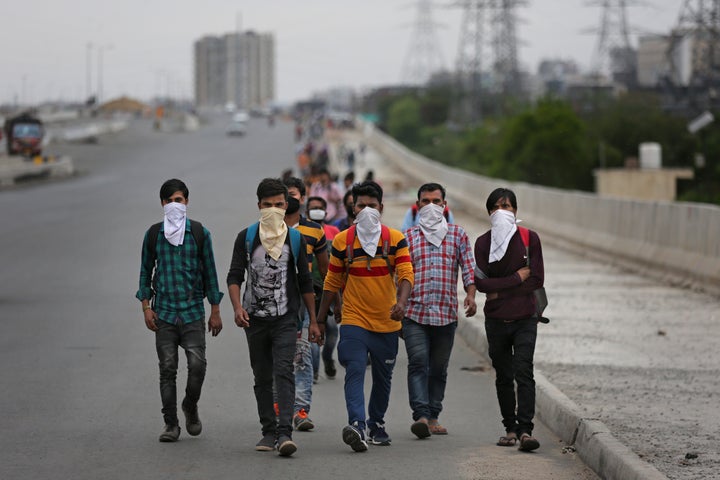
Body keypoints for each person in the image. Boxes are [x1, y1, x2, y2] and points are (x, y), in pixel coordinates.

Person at [316, 181, 414, 452]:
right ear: (353, 208)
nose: (367, 210)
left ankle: (376, 423)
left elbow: (406, 274)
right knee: (355, 368)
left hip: (387, 320)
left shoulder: (395, 239)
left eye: (372, 206)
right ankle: (357, 425)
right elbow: (332, 280)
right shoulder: (342, 241)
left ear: (381, 208)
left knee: (384, 376)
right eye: (361, 205)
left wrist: (402, 303)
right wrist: (321, 319)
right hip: (354, 318)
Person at [226, 178, 319, 457]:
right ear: (259, 206)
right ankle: (268, 430)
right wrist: (237, 308)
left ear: (286, 205)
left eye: (279, 205)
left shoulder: (295, 238)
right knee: (262, 376)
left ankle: (284, 434)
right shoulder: (246, 237)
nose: (273, 210)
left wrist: (313, 320)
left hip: (286, 319)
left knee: (284, 371)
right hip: (254, 319)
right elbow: (234, 276)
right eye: (268, 205)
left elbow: (305, 281)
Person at [136, 178, 224, 443]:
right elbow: (145, 271)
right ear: (162, 204)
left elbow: (210, 272)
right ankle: (170, 424)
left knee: (197, 365)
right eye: (169, 201)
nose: (174, 205)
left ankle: (190, 405)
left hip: (193, 312)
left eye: (179, 200)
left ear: (186, 202)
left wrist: (215, 310)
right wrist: (146, 307)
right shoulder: (154, 234)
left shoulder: (199, 233)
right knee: (167, 368)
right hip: (163, 313)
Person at [402, 183, 477, 439]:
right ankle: (421, 415)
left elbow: (468, 268)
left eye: (436, 201)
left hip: (445, 315)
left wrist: (470, 295)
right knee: (418, 362)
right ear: (418, 205)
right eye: (425, 201)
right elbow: (400, 275)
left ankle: (434, 415)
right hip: (415, 314)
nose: (431, 206)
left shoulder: (458, 235)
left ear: (445, 205)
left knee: (438, 368)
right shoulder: (408, 237)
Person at [474, 187, 544, 452]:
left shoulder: (529, 238)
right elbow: (480, 283)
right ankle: (510, 428)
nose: (502, 211)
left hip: (525, 317)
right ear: (489, 211)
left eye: (508, 206)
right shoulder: (482, 242)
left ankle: (526, 430)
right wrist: (516, 278)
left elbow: (537, 279)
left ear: (516, 211)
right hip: (495, 321)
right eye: (497, 206)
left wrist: (498, 290)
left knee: (524, 371)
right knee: (503, 375)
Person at [283, 177, 328, 430]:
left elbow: (325, 269)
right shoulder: (269, 228)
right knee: (279, 356)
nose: (289, 199)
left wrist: (327, 308)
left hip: (303, 300)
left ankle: (300, 410)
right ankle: (280, 408)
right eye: (284, 195)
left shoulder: (314, 230)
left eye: (293, 194)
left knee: (303, 355)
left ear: (302, 197)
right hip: (274, 302)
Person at [306, 195, 342, 379]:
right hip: (310, 290)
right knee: (313, 327)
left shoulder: (334, 232)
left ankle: (327, 357)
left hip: (329, 290)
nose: (317, 210)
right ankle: (313, 371)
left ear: (326, 211)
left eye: (320, 207)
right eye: (313, 207)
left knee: (332, 330)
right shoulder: (303, 232)